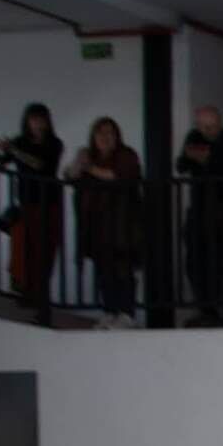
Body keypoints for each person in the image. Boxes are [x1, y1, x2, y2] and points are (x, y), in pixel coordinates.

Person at [63, 117, 143, 328]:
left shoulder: (126, 155)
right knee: (103, 269)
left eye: (109, 133)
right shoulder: (89, 156)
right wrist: (78, 161)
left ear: (117, 136)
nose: (104, 138)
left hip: (122, 223)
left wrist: (89, 168)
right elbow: (69, 176)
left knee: (122, 268)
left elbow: (116, 176)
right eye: (100, 133)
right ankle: (109, 311)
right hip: (96, 224)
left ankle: (126, 314)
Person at [174, 105, 223, 326]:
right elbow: (181, 164)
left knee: (216, 258)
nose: (208, 132)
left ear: (219, 123)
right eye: (204, 127)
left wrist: (200, 155)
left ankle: (218, 309)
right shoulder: (194, 136)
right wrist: (198, 156)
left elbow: (219, 162)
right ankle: (205, 308)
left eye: (212, 127)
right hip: (198, 206)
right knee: (194, 260)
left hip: (219, 206)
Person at [0, 103, 65, 303]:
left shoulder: (54, 143)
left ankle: (39, 294)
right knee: (25, 246)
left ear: (47, 122)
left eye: (41, 119)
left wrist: (13, 150)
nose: (37, 124)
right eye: (33, 119)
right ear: (27, 122)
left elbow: (40, 164)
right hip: (27, 202)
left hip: (49, 202)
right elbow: (2, 162)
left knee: (45, 248)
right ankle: (26, 290)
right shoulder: (20, 141)